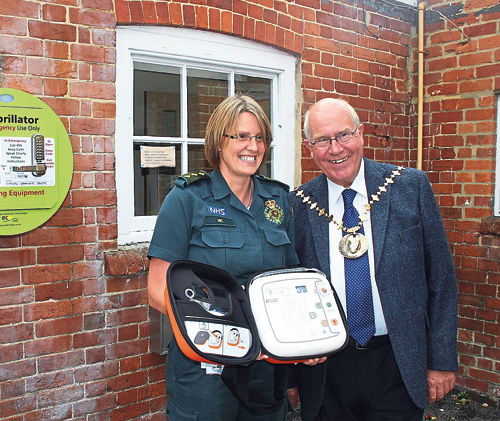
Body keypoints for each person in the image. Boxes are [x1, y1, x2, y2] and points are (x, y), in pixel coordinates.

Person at [147, 95, 320, 421]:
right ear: (218, 143)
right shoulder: (187, 199)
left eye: (259, 137)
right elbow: (158, 291)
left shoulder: (278, 200)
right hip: (207, 368)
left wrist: (307, 339)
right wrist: (227, 331)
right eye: (240, 136)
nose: (252, 146)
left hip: (267, 368)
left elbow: (292, 282)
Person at [289, 97, 458, 421]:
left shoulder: (409, 186)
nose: (336, 149)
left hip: (396, 362)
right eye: (323, 140)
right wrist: (293, 377)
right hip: (327, 371)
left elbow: (441, 280)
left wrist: (441, 360)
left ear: (361, 133)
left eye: (343, 135)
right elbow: (293, 290)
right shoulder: (298, 204)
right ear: (309, 147)